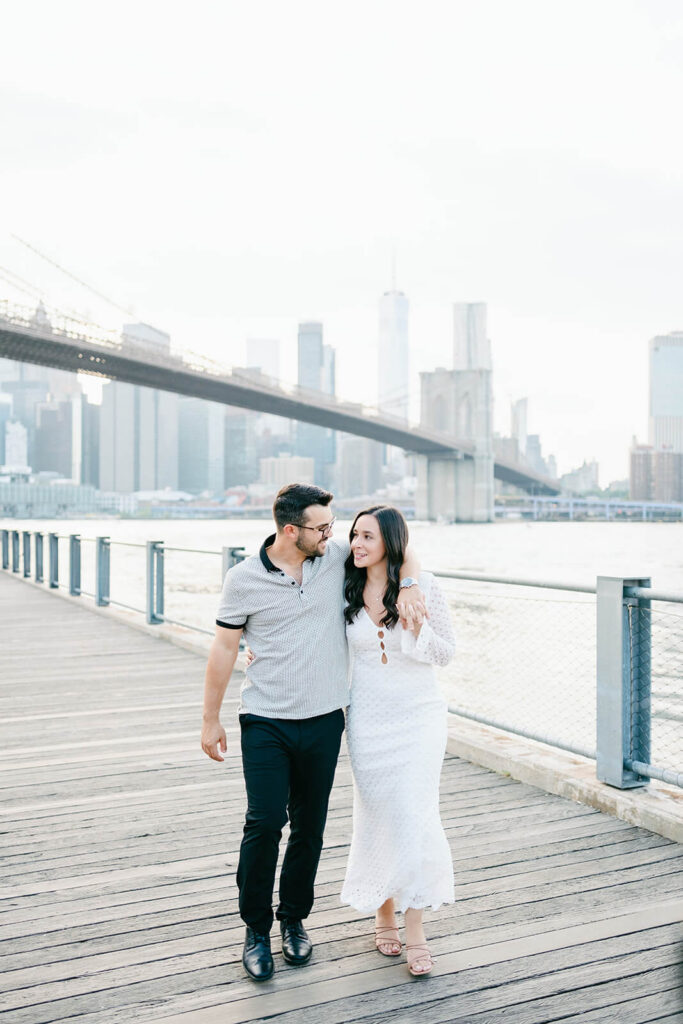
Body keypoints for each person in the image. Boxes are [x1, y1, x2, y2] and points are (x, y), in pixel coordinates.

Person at [200, 483, 426, 982]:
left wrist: (409, 584)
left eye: (332, 526)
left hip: (325, 720)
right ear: (290, 530)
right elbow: (224, 648)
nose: (333, 535)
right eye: (322, 528)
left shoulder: (334, 558)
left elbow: (399, 549)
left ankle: (293, 920)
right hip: (265, 720)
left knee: (310, 827)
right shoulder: (242, 579)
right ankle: (256, 930)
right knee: (264, 823)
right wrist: (210, 718)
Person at [340, 505, 456, 976]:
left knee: (414, 814)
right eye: (354, 535)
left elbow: (446, 654)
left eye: (368, 536)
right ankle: (383, 912)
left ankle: (415, 928)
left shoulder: (424, 586)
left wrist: (418, 623)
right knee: (378, 816)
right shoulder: (343, 587)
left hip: (419, 717)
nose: (357, 544)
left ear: (390, 541)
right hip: (367, 720)